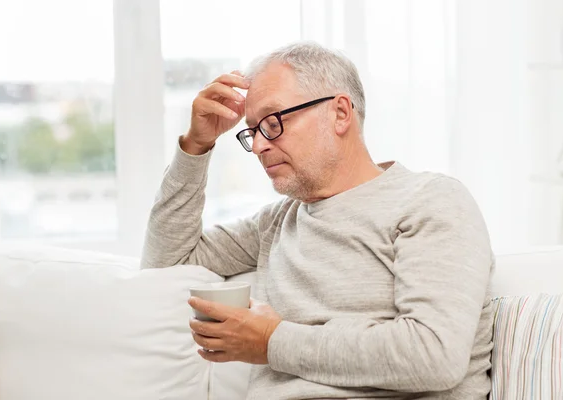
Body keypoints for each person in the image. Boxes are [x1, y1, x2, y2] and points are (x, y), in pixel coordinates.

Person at [141, 42, 495, 400]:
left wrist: (270, 341)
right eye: (253, 131)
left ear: (340, 113)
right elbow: (167, 260)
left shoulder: (429, 200)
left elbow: (434, 355)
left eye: (273, 122)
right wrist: (196, 145)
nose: (260, 145)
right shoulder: (277, 224)